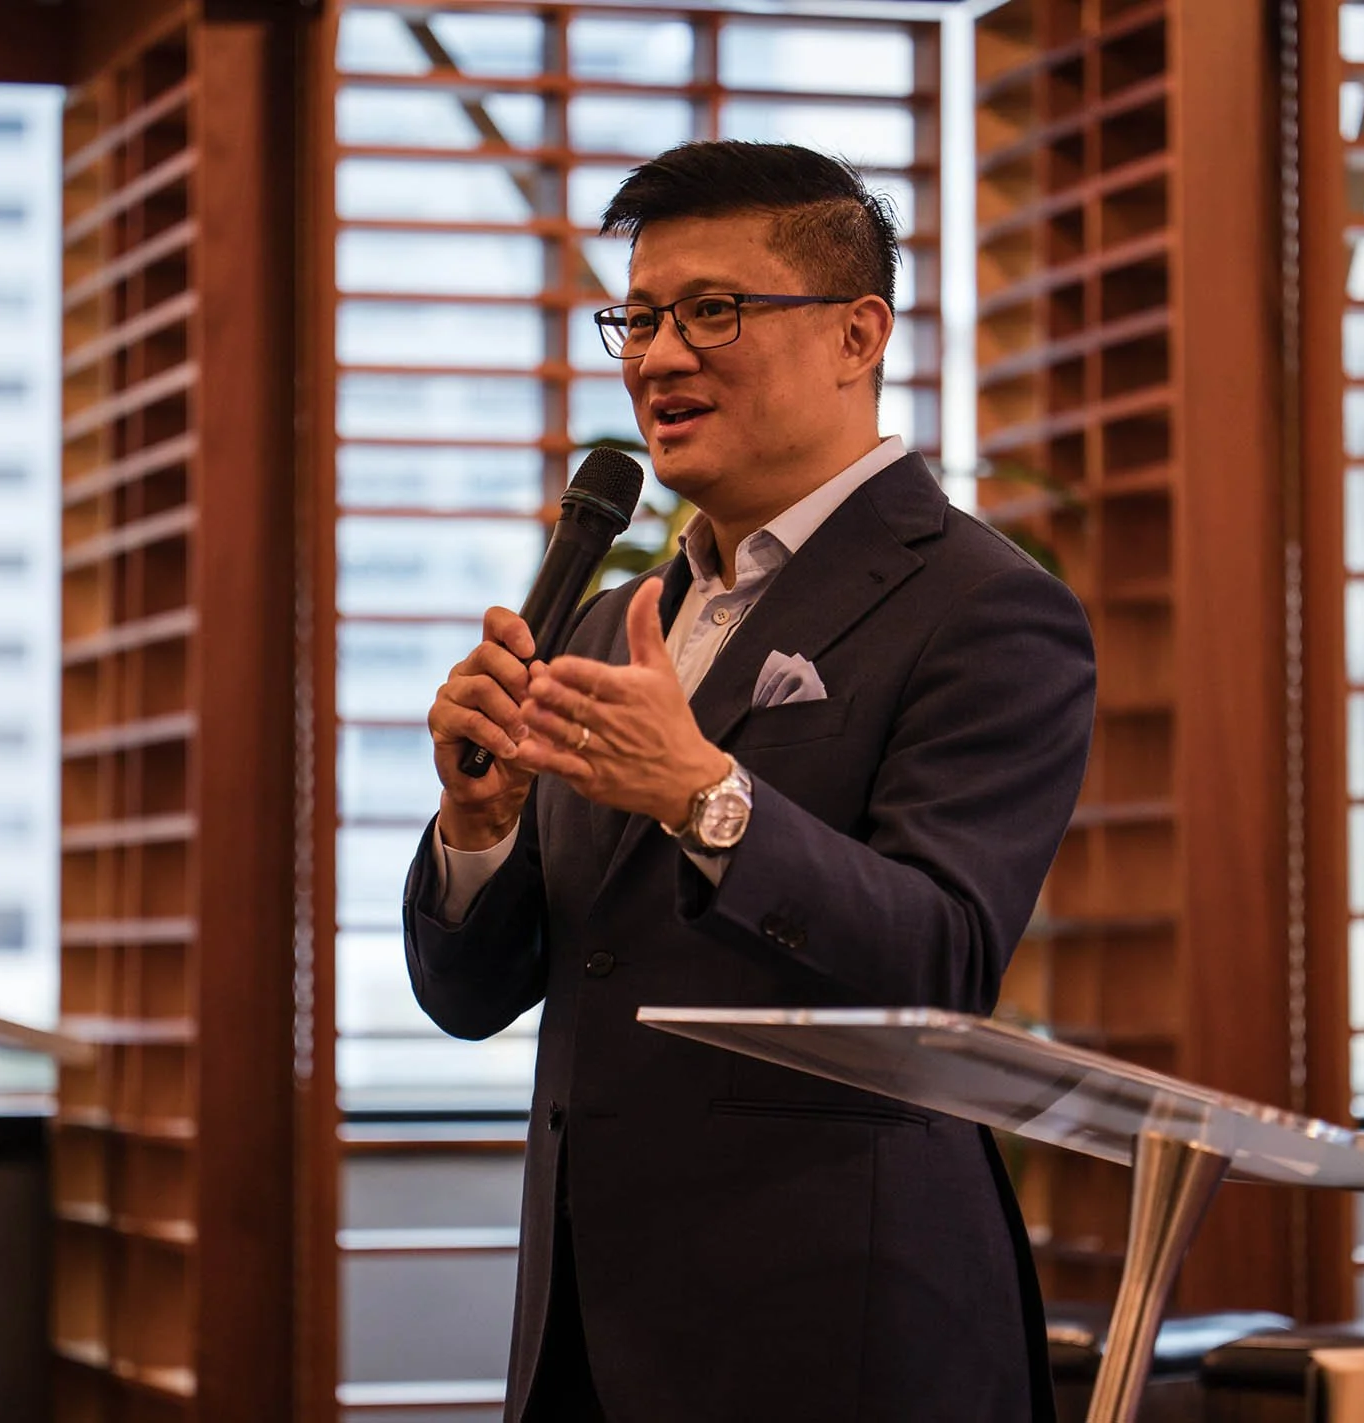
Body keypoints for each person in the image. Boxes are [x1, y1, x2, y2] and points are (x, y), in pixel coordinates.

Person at [407, 141, 1096, 1422]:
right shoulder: (614, 617)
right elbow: (471, 996)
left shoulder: (988, 609)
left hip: (832, 1332)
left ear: (857, 332)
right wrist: (478, 825)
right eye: (641, 316)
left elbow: (941, 960)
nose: (659, 356)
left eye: (713, 311)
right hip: (586, 1325)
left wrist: (704, 796)